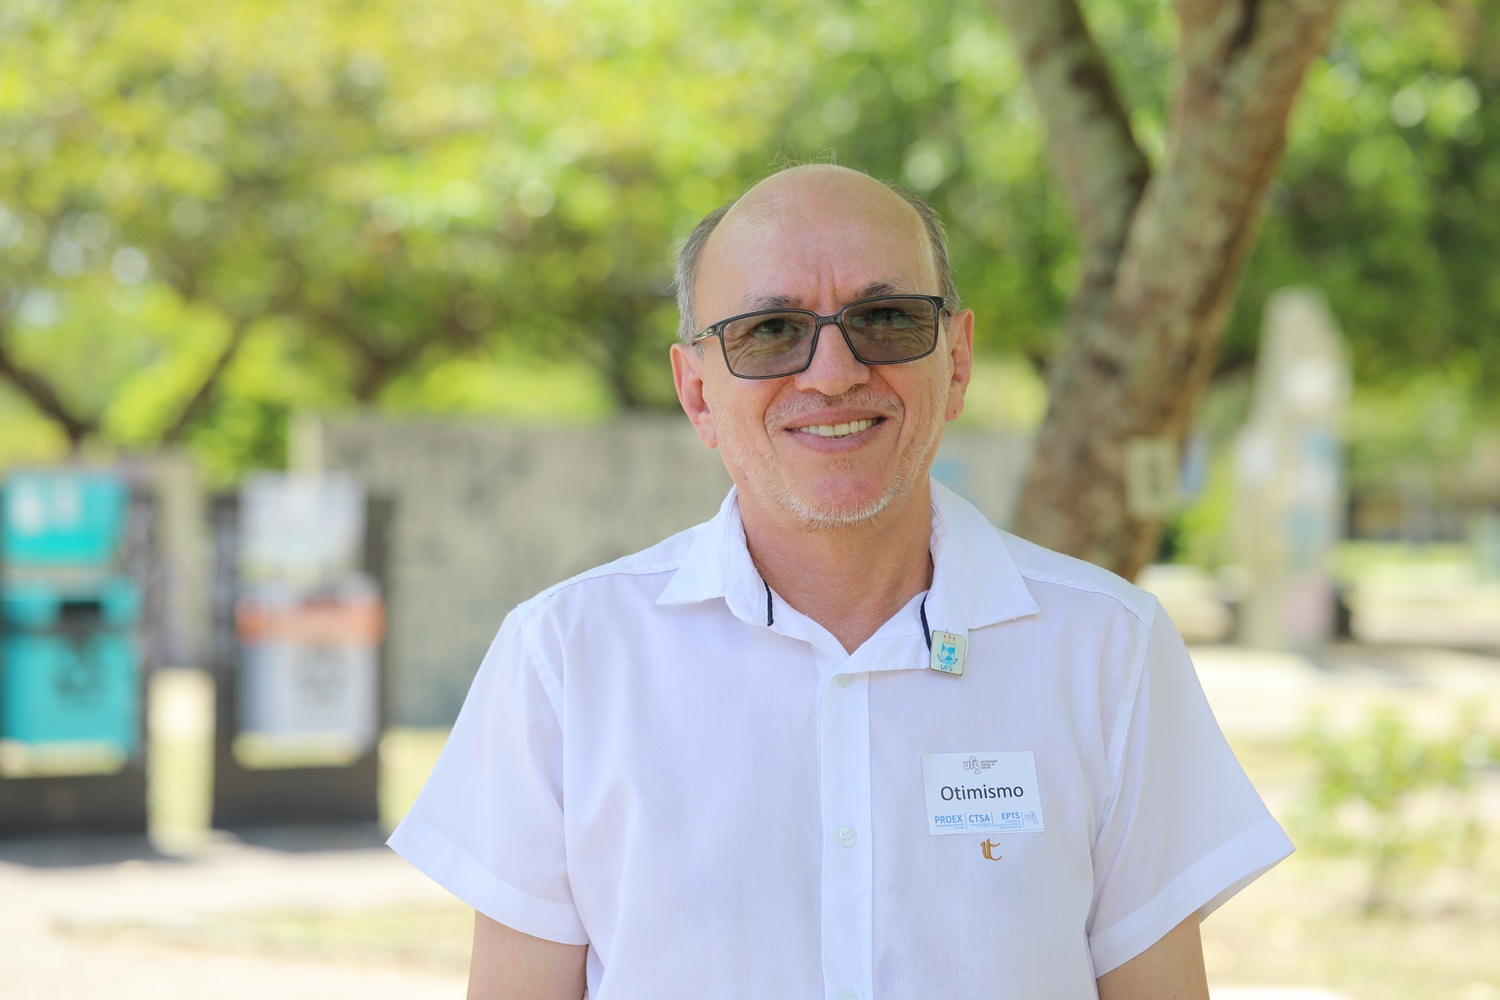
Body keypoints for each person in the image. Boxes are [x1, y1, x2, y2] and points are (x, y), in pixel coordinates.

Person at [389, 163, 1293, 999]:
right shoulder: (565, 658)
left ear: (958, 360)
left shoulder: (1107, 648)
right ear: (698, 391)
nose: (834, 373)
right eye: (771, 331)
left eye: (887, 319)